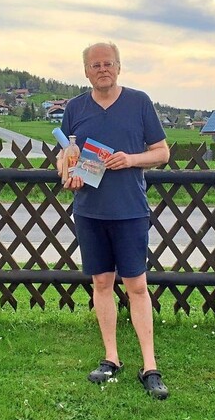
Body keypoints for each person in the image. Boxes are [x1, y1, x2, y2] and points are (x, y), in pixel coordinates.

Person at [58, 42, 170, 399]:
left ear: (119, 67)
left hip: (130, 211)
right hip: (89, 212)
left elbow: (163, 152)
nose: (102, 69)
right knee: (101, 284)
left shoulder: (139, 102)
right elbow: (66, 157)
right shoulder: (75, 108)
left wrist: (131, 159)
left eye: (108, 63)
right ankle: (111, 358)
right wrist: (67, 173)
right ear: (86, 71)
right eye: (95, 65)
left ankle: (149, 366)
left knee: (137, 287)